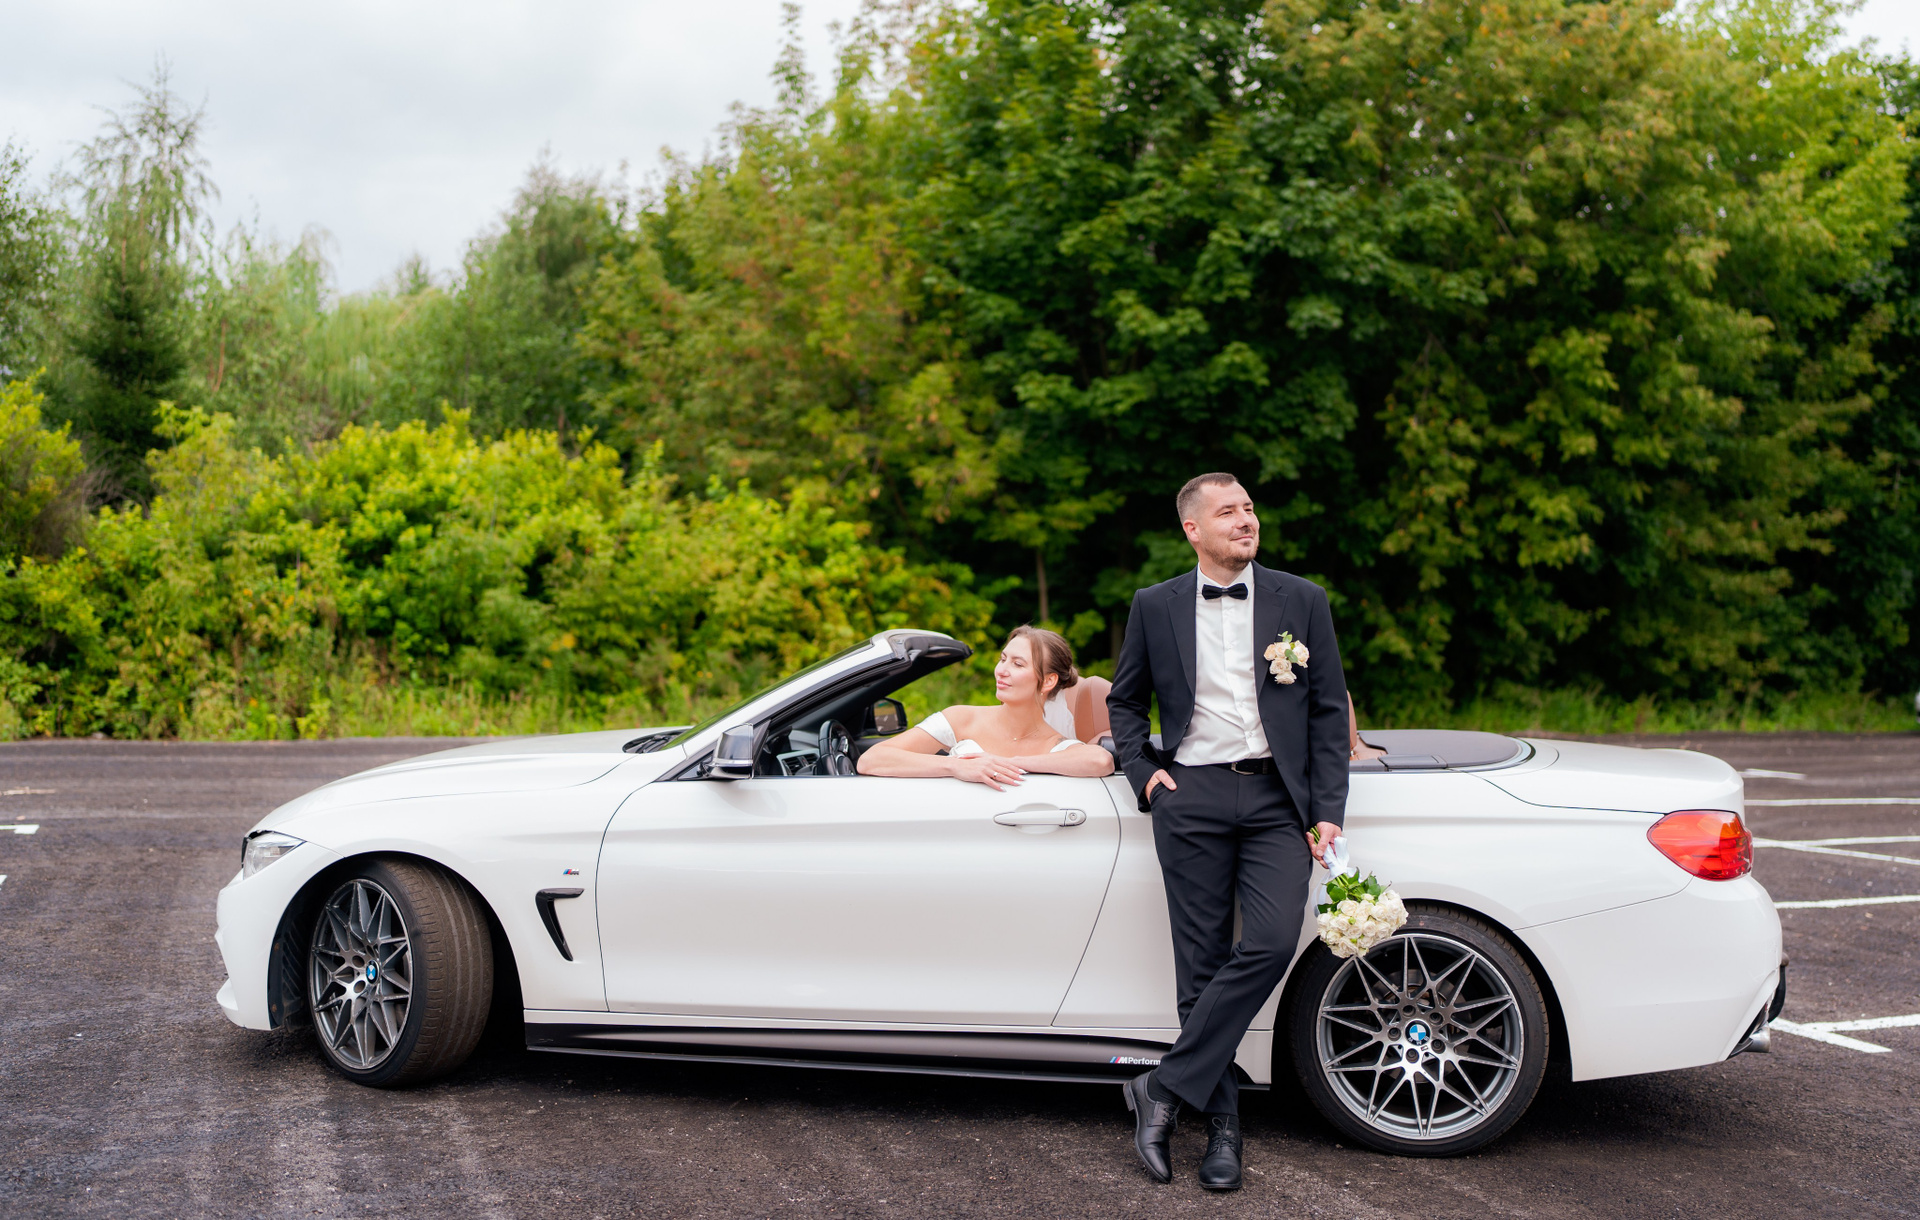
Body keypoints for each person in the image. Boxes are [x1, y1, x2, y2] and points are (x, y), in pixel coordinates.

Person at [1107, 472, 1350, 1191]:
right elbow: (1126, 701)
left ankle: (1162, 1088)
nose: (1246, 520)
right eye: (1228, 512)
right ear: (1193, 530)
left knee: (1271, 942)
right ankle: (1223, 1131)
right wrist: (1143, 773)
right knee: (1200, 965)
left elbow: (1328, 709)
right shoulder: (1154, 604)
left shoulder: (1301, 600)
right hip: (1191, 795)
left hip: (1278, 798)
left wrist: (1327, 807)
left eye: (1249, 508)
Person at [857, 626, 1115, 789]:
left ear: (1048, 681)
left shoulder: (1057, 744)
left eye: (1018, 664)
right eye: (1003, 659)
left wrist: (1010, 763)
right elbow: (871, 760)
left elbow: (1101, 760)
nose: (1001, 670)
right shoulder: (961, 718)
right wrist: (955, 766)